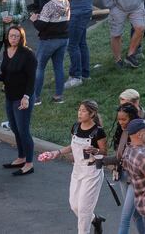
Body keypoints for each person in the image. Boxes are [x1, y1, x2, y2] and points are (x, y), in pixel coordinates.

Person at [37, 99, 107, 234]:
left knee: (84, 210)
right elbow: (72, 146)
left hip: (92, 172)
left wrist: (95, 150)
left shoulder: (98, 132)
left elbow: (104, 152)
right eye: (79, 110)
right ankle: (95, 220)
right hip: (77, 170)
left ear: (92, 114)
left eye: (83, 111)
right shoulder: (75, 127)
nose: (80, 113)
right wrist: (55, 153)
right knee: (74, 205)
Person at [0, 24, 38, 174]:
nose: (14, 38)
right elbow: (6, 74)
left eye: (17, 36)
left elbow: (32, 80)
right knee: (15, 128)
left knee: (23, 130)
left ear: (21, 38)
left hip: (22, 98)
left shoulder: (28, 54)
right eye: (11, 36)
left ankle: (29, 164)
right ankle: (21, 157)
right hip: (10, 96)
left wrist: (26, 97)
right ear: (7, 37)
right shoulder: (6, 52)